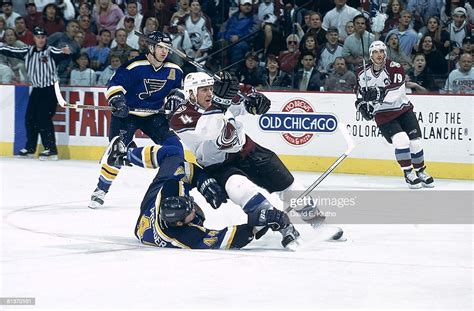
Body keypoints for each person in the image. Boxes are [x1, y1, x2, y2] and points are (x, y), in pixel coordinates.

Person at [168, 71, 339, 248]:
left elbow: (244, 94)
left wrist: (253, 99)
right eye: (203, 90)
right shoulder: (180, 117)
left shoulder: (218, 98)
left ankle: (318, 223)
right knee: (244, 191)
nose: (210, 93)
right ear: (190, 93)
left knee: (290, 188)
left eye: (211, 88)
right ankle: (286, 229)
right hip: (219, 166)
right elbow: (209, 131)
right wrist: (221, 101)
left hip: (248, 151)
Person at [99, 135, 292, 249]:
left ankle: (124, 156)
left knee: (174, 153)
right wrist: (259, 224)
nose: (194, 206)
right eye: (191, 210)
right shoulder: (184, 236)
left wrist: (203, 182)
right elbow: (229, 238)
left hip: (150, 204)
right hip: (154, 227)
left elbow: (184, 168)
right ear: (182, 223)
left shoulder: (170, 190)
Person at [88, 31, 184, 209]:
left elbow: (178, 89)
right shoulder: (134, 66)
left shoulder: (174, 70)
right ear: (151, 47)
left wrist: (176, 97)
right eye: (161, 48)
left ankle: (175, 190)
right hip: (127, 115)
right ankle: (101, 189)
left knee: (177, 149)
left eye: (167, 48)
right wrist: (117, 100)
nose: (164, 52)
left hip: (154, 116)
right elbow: (114, 85)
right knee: (116, 151)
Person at [354, 41, 434, 188]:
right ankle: (409, 173)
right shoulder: (361, 73)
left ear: (386, 53)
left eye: (382, 51)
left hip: (403, 110)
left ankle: (421, 171)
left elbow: (396, 91)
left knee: (415, 142)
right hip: (383, 115)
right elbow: (359, 93)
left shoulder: (395, 68)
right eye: (375, 52)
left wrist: (377, 94)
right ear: (371, 55)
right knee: (402, 140)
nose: (379, 54)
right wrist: (360, 105)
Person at [0, 27, 71, 160]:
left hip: (50, 89)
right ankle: (30, 148)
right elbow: (11, 51)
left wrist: (66, 52)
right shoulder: (28, 51)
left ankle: (51, 149)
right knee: (30, 118)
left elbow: (63, 54)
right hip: (37, 89)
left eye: (43, 37)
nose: (41, 40)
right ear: (34, 39)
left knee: (44, 119)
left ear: (46, 38)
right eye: (38, 37)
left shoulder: (51, 51)